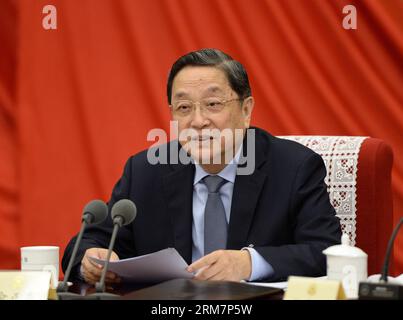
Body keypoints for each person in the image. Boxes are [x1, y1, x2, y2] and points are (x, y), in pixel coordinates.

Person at [62, 48, 341, 284]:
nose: (198, 121)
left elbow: (326, 251)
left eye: (212, 104)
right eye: (183, 108)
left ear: (246, 111)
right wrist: (91, 259)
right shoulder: (146, 170)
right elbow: (89, 243)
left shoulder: (293, 167)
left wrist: (248, 263)